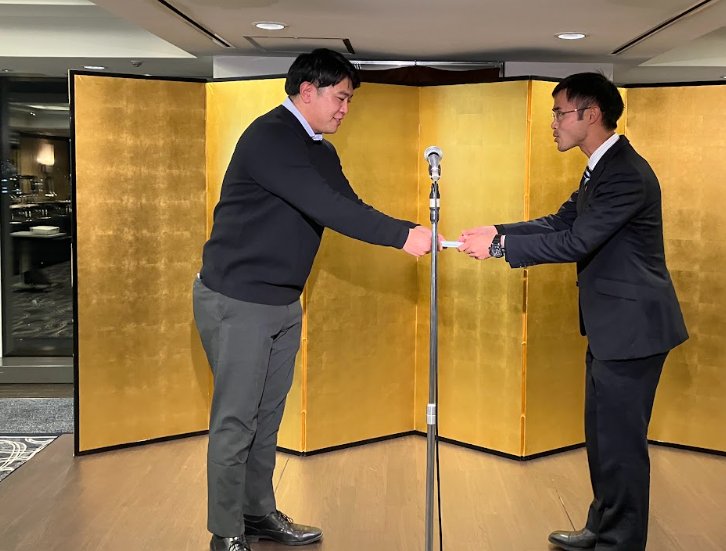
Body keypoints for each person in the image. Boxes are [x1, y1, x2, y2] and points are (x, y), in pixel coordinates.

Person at [193, 49, 437, 551]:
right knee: (236, 422)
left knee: (267, 419)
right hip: (239, 300)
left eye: (350, 100)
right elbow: (325, 205)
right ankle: (226, 532)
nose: (346, 109)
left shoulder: (320, 150)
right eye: (340, 97)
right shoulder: (270, 137)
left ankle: (257, 513)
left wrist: (408, 229)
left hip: (284, 301)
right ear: (308, 90)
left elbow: (348, 205)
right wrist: (400, 236)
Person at [457, 73, 688, 551]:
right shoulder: (600, 168)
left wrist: (499, 248)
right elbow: (560, 222)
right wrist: (498, 230)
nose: (553, 123)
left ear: (592, 114)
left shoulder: (625, 173)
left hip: (634, 331)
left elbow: (576, 242)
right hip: (613, 329)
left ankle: (620, 544)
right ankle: (601, 529)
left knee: (621, 448)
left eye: (560, 113)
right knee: (603, 440)